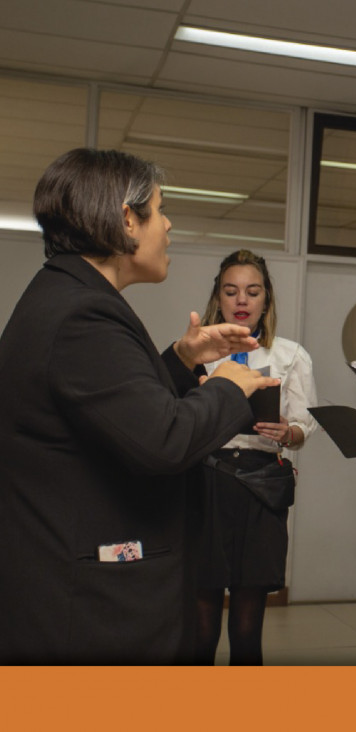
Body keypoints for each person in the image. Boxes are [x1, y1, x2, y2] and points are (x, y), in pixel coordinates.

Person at [0, 148, 275, 663]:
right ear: (127, 220)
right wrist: (230, 386)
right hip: (88, 609)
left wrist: (180, 358)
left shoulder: (64, 296)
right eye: (160, 209)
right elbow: (163, 440)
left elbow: (112, 411)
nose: (168, 225)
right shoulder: (85, 315)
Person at [194, 250, 318, 666]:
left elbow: (305, 426)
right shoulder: (198, 353)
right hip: (207, 481)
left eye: (252, 291)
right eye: (231, 291)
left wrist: (290, 431)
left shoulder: (291, 355)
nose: (242, 300)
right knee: (200, 624)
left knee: (247, 628)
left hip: (261, 485)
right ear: (218, 297)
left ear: (267, 299)